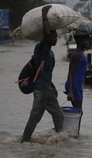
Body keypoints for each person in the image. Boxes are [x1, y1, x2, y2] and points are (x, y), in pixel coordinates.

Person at [21, 5, 64, 143]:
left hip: (47, 89)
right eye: (53, 36)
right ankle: (25, 141)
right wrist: (44, 15)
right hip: (39, 90)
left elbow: (45, 72)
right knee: (35, 117)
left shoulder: (50, 53)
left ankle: (59, 139)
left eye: (56, 36)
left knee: (58, 115)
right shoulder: (41, 48)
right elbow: (46, 35)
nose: (55, 39)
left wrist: (53, 86)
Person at [64, 20, 92, 135]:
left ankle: (74, 133)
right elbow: (70, 73)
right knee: (78, 112)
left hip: (78, 86)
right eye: (86, 40)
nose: (88, 42)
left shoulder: (82, 53)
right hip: (74, 86)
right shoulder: (76, 55)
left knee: (79, 112)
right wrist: (70, 92)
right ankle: (74, 133)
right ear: (80, 41)